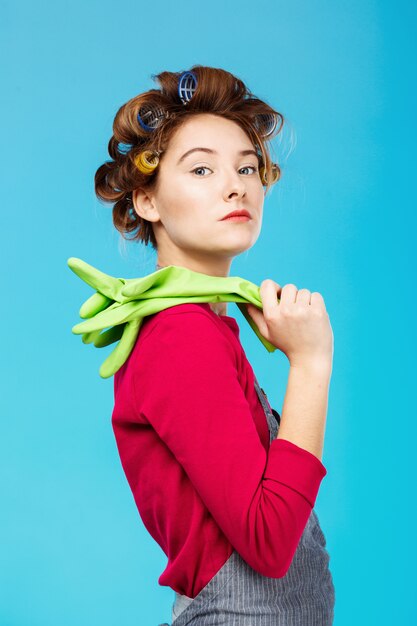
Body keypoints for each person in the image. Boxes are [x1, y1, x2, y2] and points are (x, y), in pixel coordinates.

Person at [94, 65, 336, 625]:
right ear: (148, 202)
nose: (237, 185)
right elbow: (269, 541)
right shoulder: (180, 334)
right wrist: (311, 363)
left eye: (247, 168)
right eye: (201, 168)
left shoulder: (203, 326)